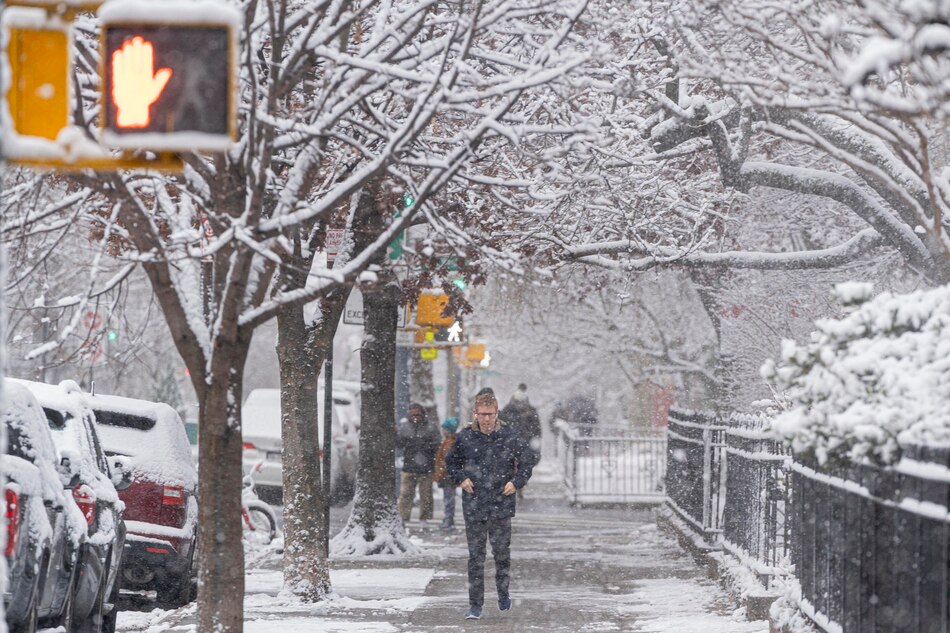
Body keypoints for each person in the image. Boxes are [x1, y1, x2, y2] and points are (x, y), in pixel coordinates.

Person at [446, 391, 538, 620]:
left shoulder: (509, 436)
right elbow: (450, 462)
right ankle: (475, 605)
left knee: (501, 555)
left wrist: (516, 482)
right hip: (474, 503)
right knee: (475, 557)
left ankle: (503, 594)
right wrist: (461, 479)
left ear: (497, 413)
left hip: (501, 503)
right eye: (483, 414)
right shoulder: (465, 437)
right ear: (475, 414)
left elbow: (527, 459)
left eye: (491, 414)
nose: (487, 419)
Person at [396, 403, 440, 526]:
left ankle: (424, 518)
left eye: (418, 414)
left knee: (426, 494)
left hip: (426, 467)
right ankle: (403, 517)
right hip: (409, 466)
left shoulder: (431, 427)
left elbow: (437, 444)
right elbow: (399, 444)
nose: (415, 417)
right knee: (405, 494)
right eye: (413, 415)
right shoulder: (404, 427)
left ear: (423, 414)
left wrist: (425, 446)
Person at [433, 417, 460, 530]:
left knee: (448, 498)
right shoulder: (449, 441)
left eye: (444, 429)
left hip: (447, 475)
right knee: (448, 498)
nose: (442, 431)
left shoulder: (449, 443)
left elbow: (446, 460)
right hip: (448, 474)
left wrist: (442, 472)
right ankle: (448, 519)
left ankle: (449, 519)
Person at [500, 383, 542, 455]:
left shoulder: (531, 411)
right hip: (511, 444)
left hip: (524, 443)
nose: (520, 405)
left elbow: (537, 428)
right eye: (518, 402)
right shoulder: (508, 410)